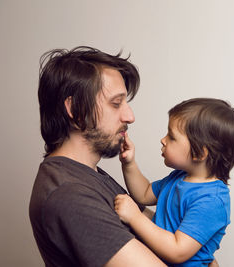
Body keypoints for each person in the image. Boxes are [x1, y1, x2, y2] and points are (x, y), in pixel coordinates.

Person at [29, 46, 166, 267]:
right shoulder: (68, 194)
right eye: (115, 103)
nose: (129, 116)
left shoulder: (87, 175)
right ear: (75, 109)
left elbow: (167, 232)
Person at [114, 98, 234, 266]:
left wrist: (135, 217)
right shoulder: (179, 177)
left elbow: (177, 251)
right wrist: (129, 163)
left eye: (172, 136)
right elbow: (144, 194)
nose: (163, 139)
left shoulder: (212, 200)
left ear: (199, 153)